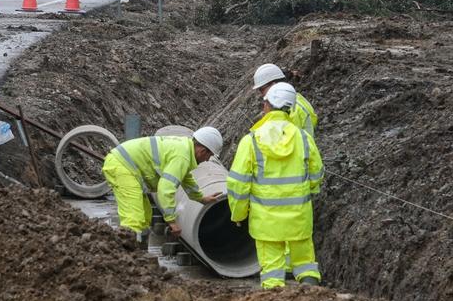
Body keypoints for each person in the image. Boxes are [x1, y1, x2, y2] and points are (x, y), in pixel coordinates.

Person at [227, 82, 323, 288]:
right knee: (306, 265)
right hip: (299, 218)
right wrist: (308, 192)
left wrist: (238, 213)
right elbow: (317, 174)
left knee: (272, 271)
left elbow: (238, 184)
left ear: (268, 106)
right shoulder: (304, 138)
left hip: (266, 221)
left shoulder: (251, 141)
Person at [102, 127, 225, 238]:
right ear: (203, 151)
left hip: (127, 167)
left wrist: (201, 198)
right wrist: (171, 221)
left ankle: (138, 250)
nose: (208, 160)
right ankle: (125, 256)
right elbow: (165, 189)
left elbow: (186, 179)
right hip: (122, 167)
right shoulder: (182, 157)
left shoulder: (185, 150)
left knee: (145, 216)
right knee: (134, 218)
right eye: (209, 156)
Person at [252, 63, 317, 138]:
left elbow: (285, 142)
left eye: (261, 89)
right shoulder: (292, 100)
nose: (261, 94)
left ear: (273, 85)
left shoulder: (293, 109)